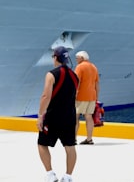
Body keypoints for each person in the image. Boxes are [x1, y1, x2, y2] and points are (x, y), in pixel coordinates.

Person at [38, 46, 79, 182]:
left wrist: (40, 115)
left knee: (42, 143)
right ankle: (68, 176)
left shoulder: (51, 74)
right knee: (70, 146)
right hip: (70, 116)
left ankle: (50, 174)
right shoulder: (75, 76)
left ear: (55, 57)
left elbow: (46, 96)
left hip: (53, 116)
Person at [73, 51, 100, 144]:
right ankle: (89, 139)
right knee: (88, 117)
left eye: (77, 57)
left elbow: (76, 82)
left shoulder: (80, 67)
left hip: (81, 96)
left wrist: (73, 95)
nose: (76, 59)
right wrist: (96, 97)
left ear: (82, 57)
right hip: (92, 96)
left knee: (75, 117)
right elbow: (97, 84)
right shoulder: (94, 67)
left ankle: (73, 138)